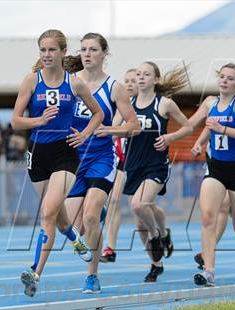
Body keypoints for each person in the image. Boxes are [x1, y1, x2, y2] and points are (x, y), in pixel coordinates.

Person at [11, 29, 104, 297]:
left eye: (52, 50)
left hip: (65, 152)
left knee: (48, 213)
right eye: (42, 50)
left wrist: (85, 134)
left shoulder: (74, 84)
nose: (47, 55)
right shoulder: (31, 81)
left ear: (63, 52)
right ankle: (75, 237)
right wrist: (38, 121)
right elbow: (16, 120)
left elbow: (97, 113)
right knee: (60, 218)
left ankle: (35, 273)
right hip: (38, 154)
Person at [62, 33, 139, 293]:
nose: (87, 54)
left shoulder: (114, 87)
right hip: (73, 160)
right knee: (69, 226)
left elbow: (134, 125)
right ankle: (95, 217)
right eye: (83, 49)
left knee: (91, 217)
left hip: (102, 158)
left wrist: (111, 131)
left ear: (104, 54)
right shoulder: (69, 84)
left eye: (93, 49)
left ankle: (92, 275)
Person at [188, 63, 235, 287]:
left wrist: (223, 129)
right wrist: (195, 141)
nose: (225, 81)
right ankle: (209, 271)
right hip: (216, 168)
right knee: (208, 216)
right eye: (222, 77)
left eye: (231, 78)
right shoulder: (210, 102)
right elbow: (196, 125)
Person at [122, 61, 193, 282]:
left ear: (155, 80)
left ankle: (156, 236)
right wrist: (106, 131)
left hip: (156, 165)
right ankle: (157, 261)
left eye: (146, 74)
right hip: (133, 165)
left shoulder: (165, 104)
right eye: (138, 74)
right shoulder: (127, 103)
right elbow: (116, 126)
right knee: (143, 216)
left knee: (138, 205)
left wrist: (170, 138)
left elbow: (188, 126)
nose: (140, 77)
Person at [191, 123, 235, 270]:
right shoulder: (210, 103)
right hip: (214, 167)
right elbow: (199, 124)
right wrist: (198, 142)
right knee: (220, 209)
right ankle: (208, 257)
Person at [101, 68, 138, 263]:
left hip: (142, 162)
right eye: (127, 80)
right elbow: (113, 128)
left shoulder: (150, 104)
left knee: (140, 207)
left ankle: (160, 232)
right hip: (122, 160)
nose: (131, 84)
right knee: (113, 201)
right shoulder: (122, 105)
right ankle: (110, 247)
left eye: (135, 80)